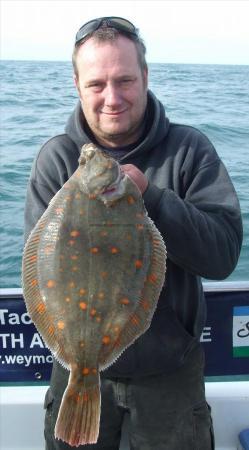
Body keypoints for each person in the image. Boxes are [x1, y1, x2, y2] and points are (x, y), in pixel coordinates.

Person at [24, 17, 243, 450]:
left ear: (145, 76)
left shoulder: (190, 151)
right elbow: (39, 264)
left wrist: (152, 198)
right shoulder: (55, 160)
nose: (112, 97)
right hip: (78, 371)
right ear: (77, 84)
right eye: (97, 84)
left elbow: (222, 256)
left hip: (169, 377)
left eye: (124, 80)